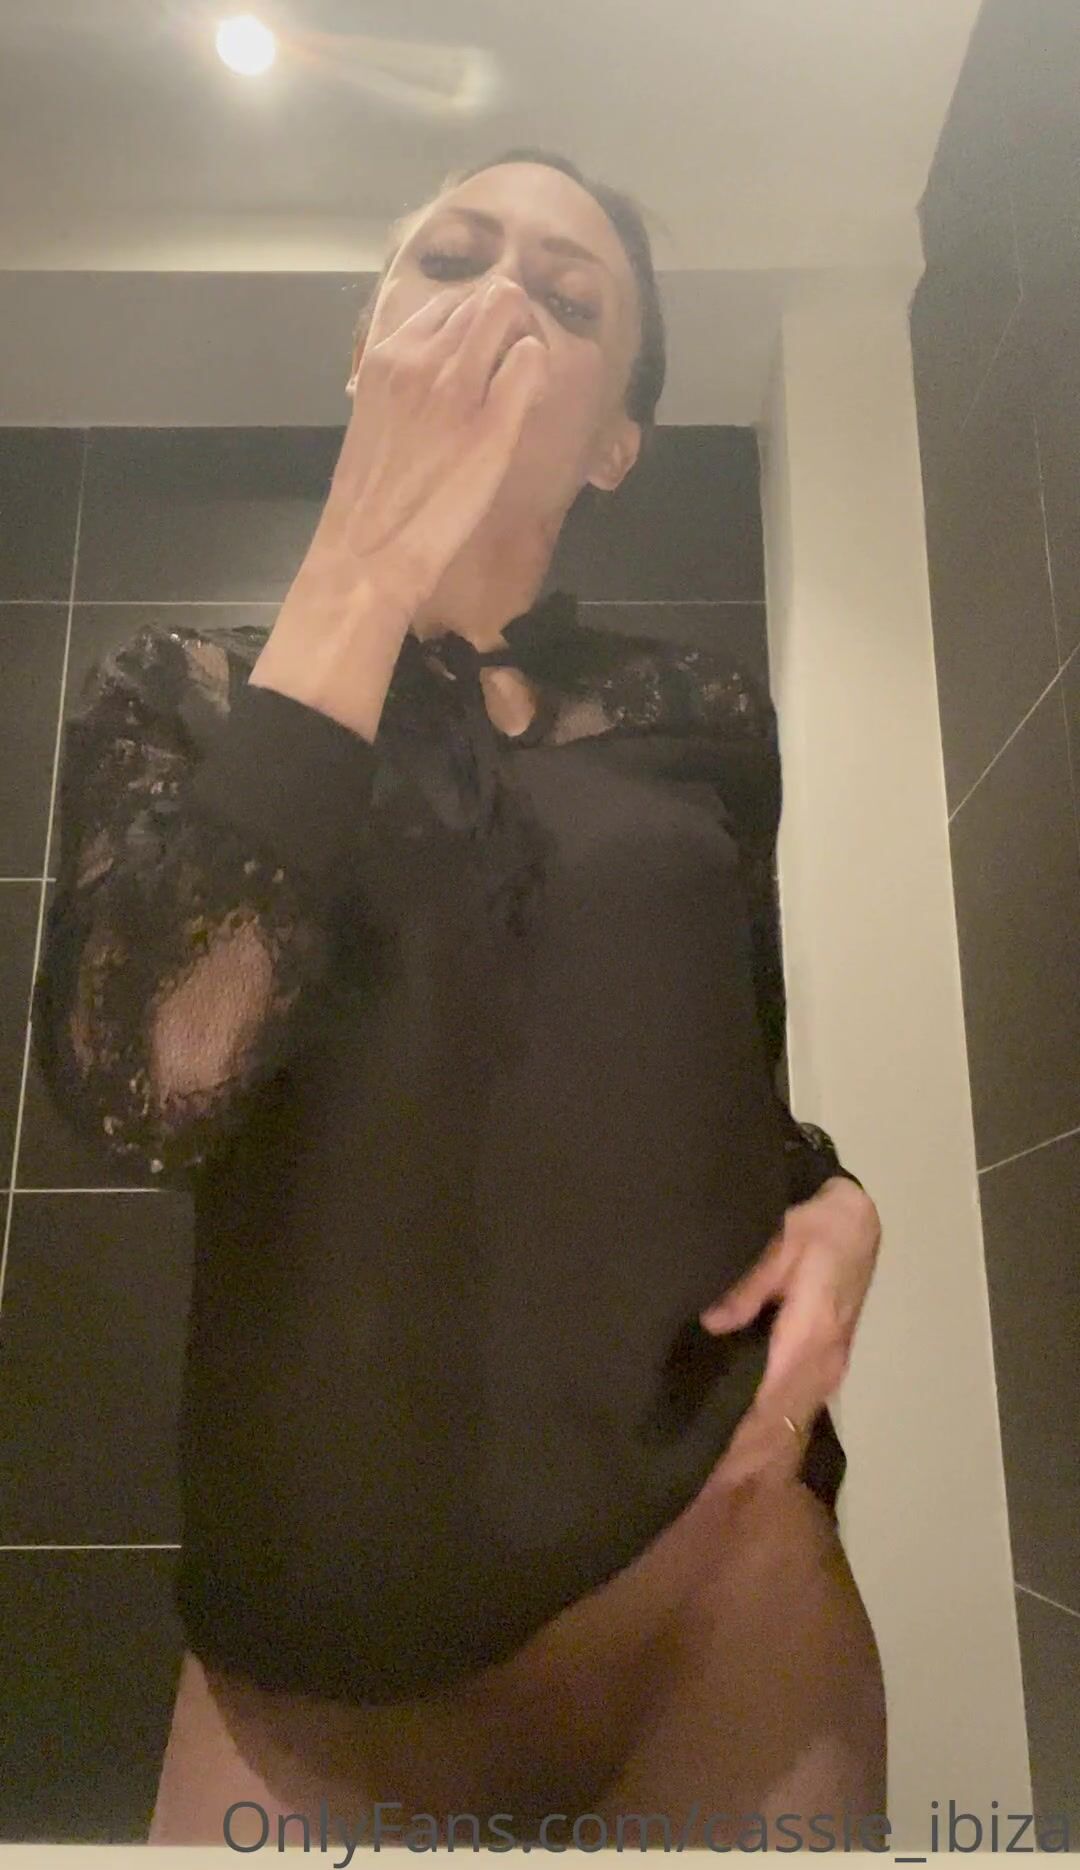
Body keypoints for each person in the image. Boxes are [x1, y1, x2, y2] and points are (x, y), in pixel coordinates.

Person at [32, 148, 886, 1850]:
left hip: (706, 1589)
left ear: (617, 441)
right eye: (451, 260)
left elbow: (727, 1073)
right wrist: (365, 560)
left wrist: (841, 1199)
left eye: (566, 299)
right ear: (369, 344)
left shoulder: (704, 716)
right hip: (304, 1668)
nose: (500, 301)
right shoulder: (181, 696)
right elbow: (149, 1083)